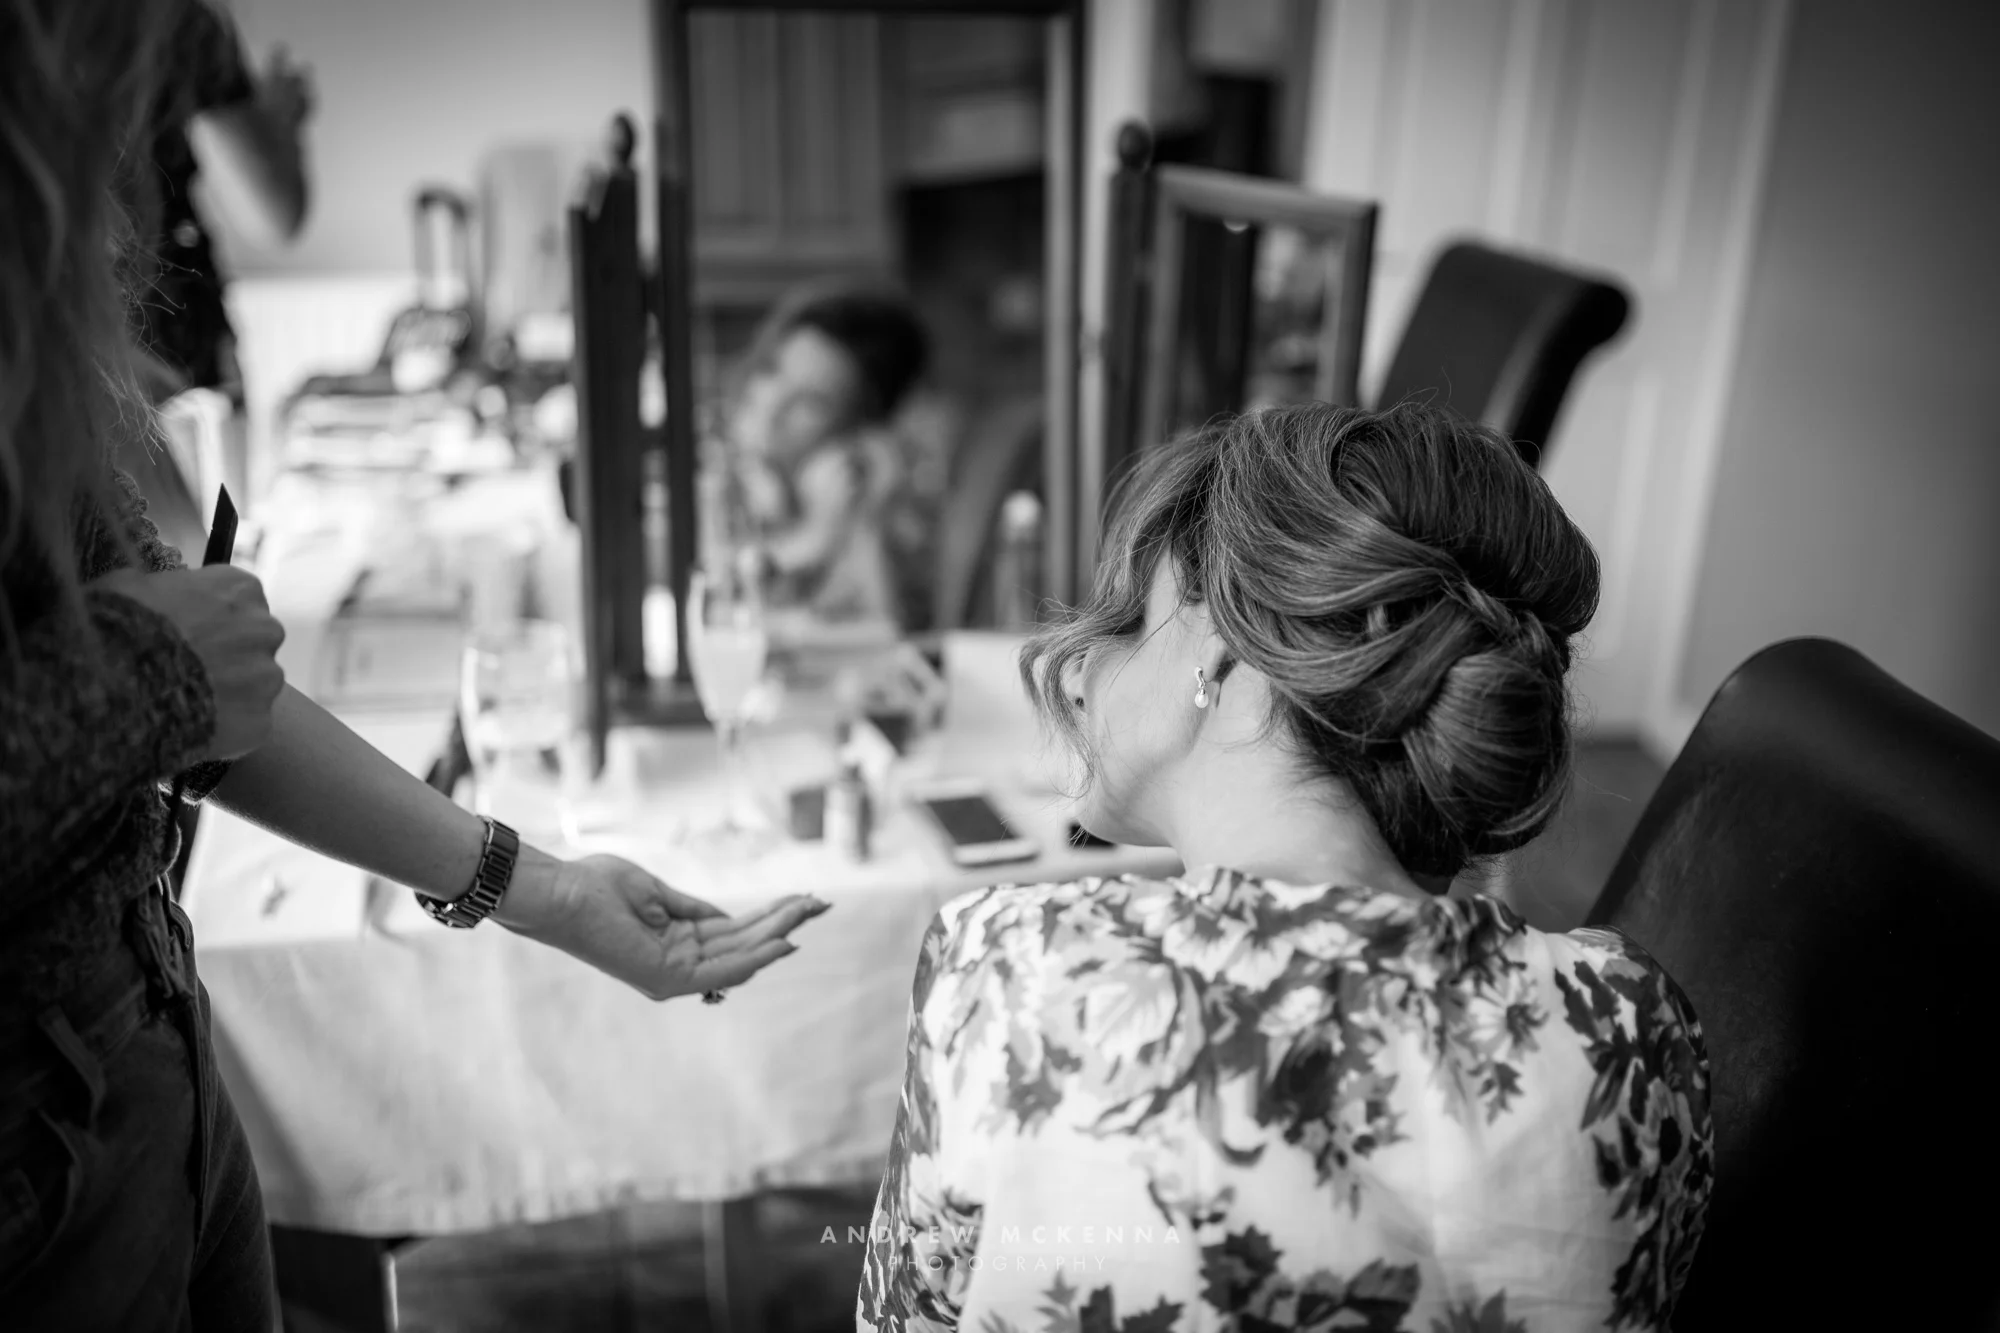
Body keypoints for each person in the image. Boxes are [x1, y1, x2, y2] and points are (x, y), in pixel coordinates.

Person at [0, 2, 827, 1326]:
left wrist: (547, 891)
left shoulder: (33, 308)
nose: (122, 212)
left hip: (152, 1025)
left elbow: (208, 692)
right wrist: (148, 670)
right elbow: (169, 674)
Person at [858, 404, 1712, 1331]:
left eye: (1128, 618)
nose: (1074, 666)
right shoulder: (1634, 1030)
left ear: (1220, 652)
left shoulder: (1013, 975)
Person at [701, 284, 934, 627]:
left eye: (810, 401)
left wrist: (865, 518)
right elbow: (710, 614)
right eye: (771, 370)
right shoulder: (705, 472)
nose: (772, 406)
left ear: (855, 431)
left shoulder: (854, 492)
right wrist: (812, 539)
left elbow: (891, 631)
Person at [134, 0, 313, 401]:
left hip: (53, 344)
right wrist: (279, 122)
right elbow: (273, 215)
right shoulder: (169, 18)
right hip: (168, 343)